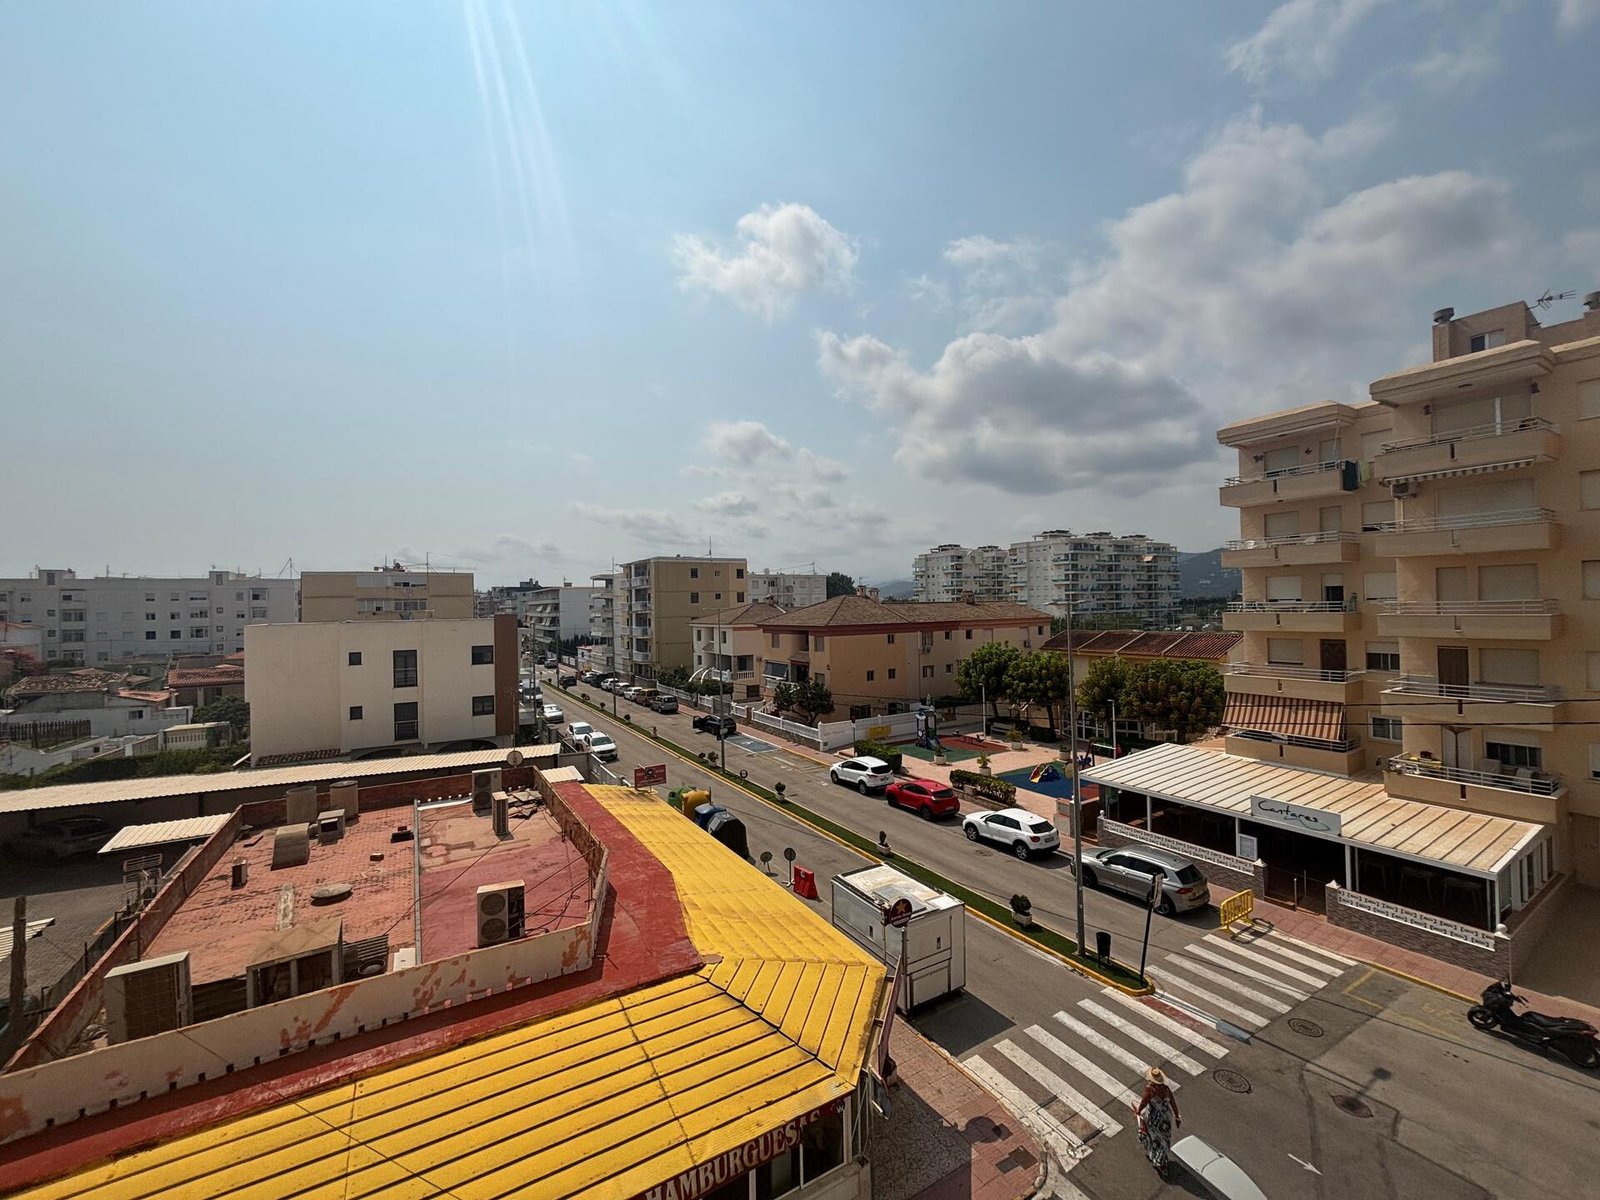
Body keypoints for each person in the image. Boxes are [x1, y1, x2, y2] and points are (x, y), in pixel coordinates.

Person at [1134, 1066, 1180, 1178]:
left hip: (1154, 1118)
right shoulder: (1166, 1088)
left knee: (1153, 1138)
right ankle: (1162, 1159)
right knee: (1164, 1139)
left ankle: (1159, 1162)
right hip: (1166, 1118)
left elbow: (1144, 1102)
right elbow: (1173, 1102)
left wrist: (1138, 1111)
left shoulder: (1150, 1089)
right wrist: (1177, 1116)